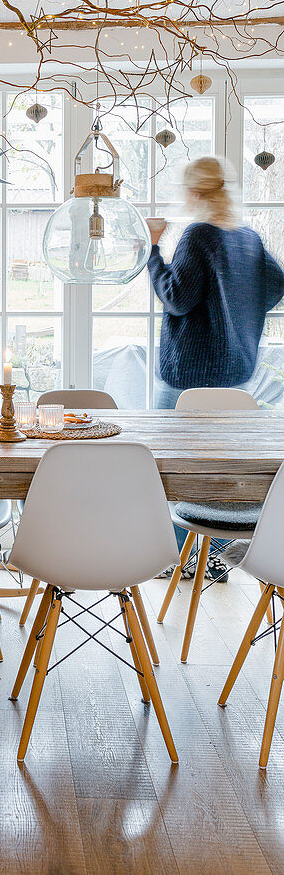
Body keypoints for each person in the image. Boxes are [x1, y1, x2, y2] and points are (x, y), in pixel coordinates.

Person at [147, 156, 284, 580]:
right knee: (222, 469)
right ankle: (215, 559)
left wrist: (153, 250)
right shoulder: (249, 239)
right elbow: (277, 285)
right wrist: (238, 316)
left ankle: (172, 559)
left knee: (165, 466)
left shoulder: (198, 235)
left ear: (194, 193)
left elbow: (177, 298)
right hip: (236, 372)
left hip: (187, 375)